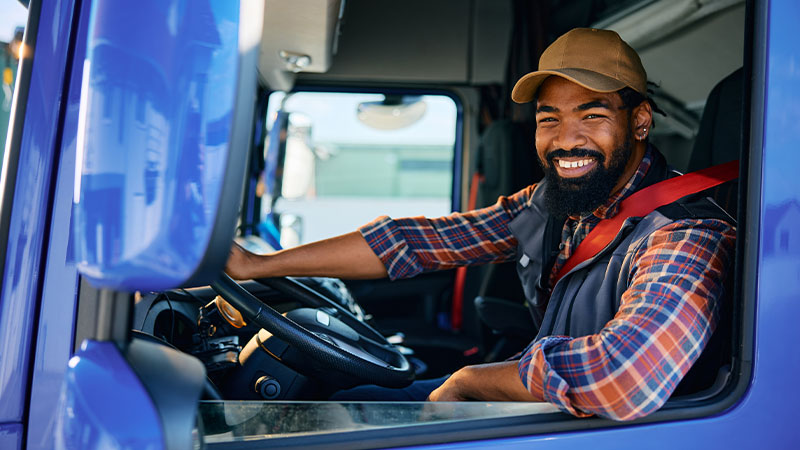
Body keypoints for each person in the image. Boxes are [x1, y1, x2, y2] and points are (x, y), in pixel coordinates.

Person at [225, 28, 736, 421]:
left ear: (640, 121)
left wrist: (471, 380)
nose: (565, 139)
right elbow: (415, 243)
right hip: (546, 409)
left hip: (601, 430)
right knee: (342, 404)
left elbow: (623, 378)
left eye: (592, 114)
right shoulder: (553, 202)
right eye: (548, 118)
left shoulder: (685, 233)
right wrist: (257, 265)